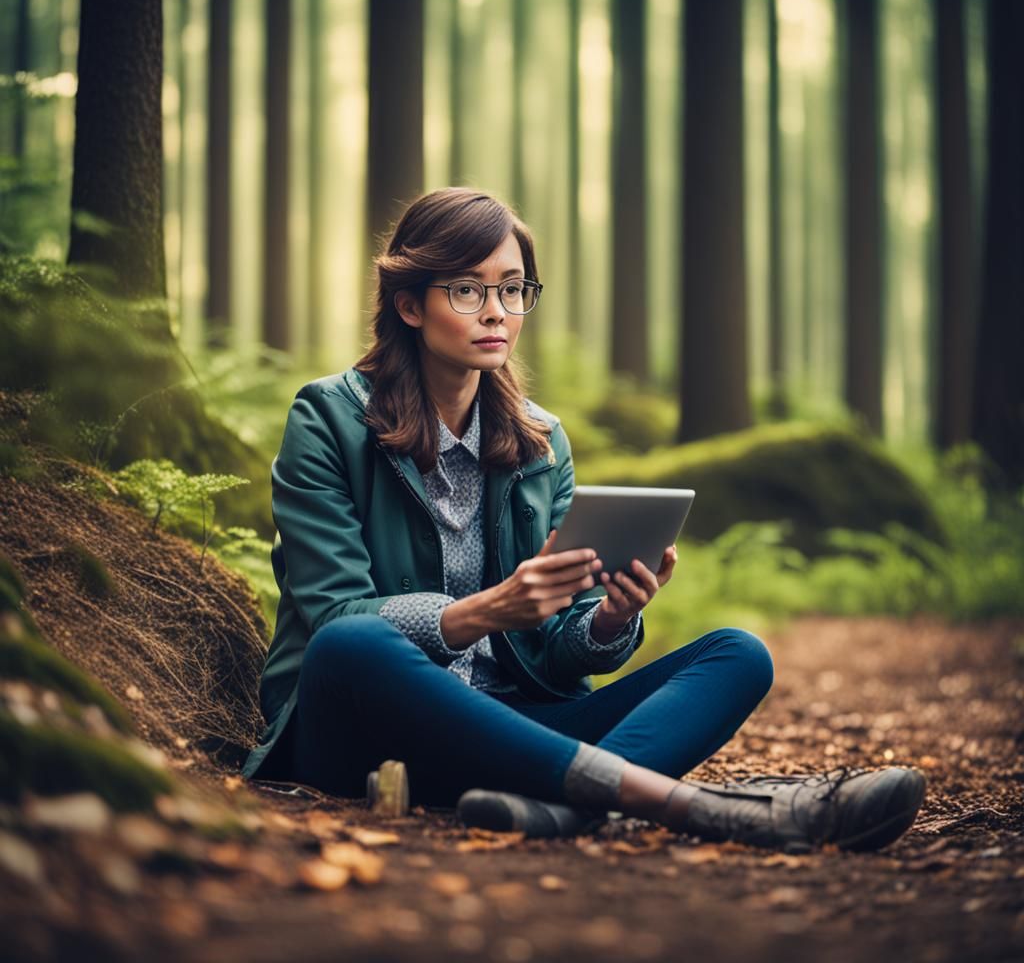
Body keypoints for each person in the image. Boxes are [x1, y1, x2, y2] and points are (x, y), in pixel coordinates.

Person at [242, 187, 926, 852]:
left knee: (738, 654)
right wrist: (482, 613)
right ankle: (688, 806)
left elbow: (560, 647)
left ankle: (558, 810)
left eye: (513, 289)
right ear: (409, 304)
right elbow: (333, 615)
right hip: (368, 733)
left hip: (518, 729)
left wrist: (608, 622)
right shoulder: (328, 420)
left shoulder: (541, 441)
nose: (496, 313)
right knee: (350, 646)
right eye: (468, 290)